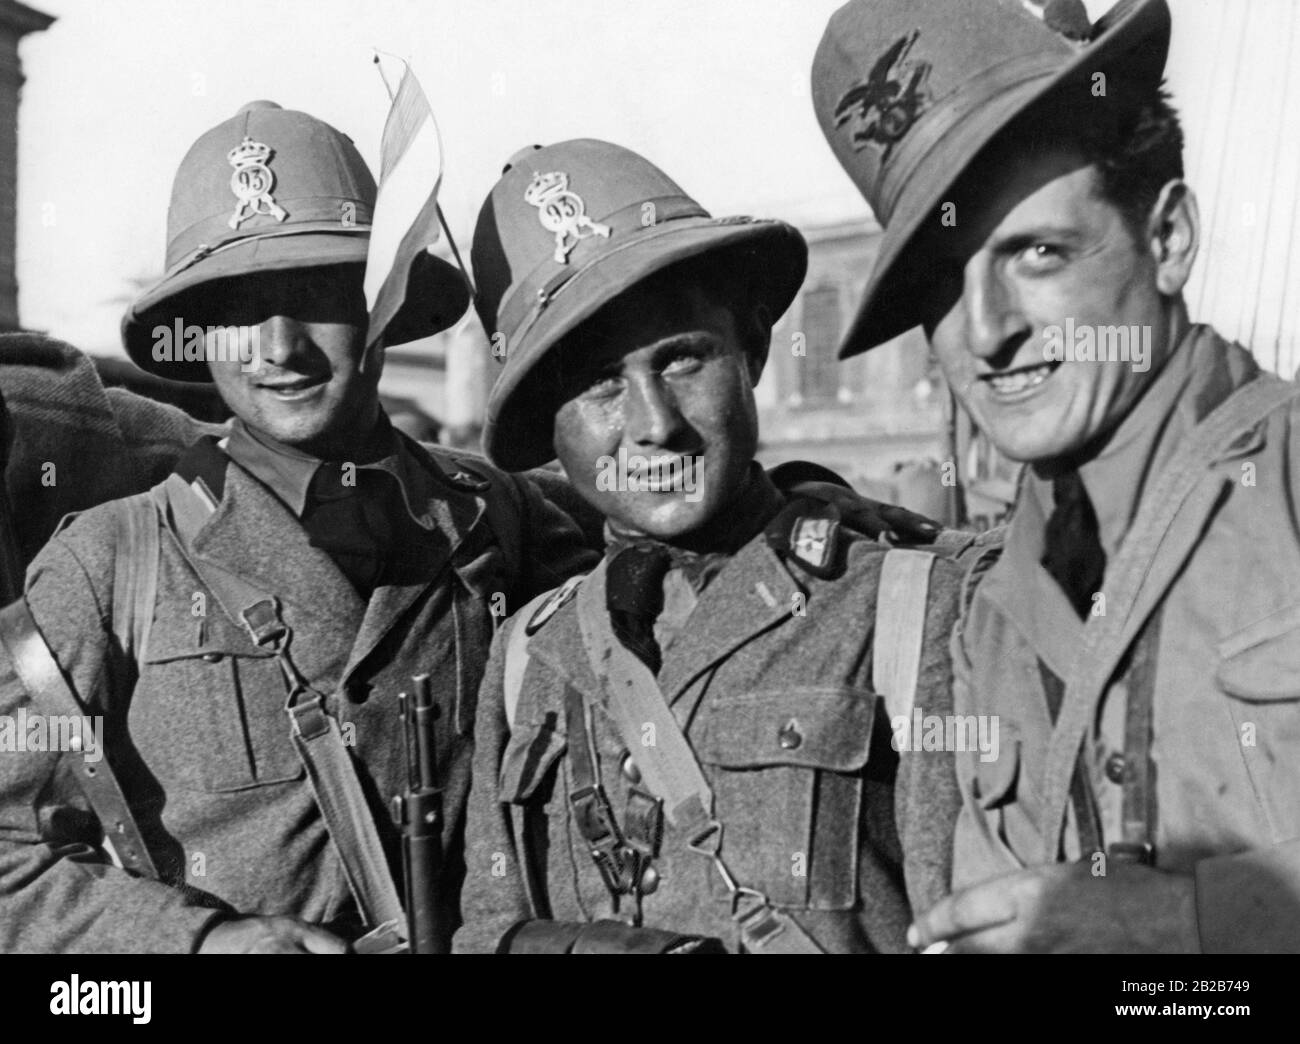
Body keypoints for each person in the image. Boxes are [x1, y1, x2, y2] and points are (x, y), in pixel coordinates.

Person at [0, 101, 597, 953]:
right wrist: (200, 946)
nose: (277, 348)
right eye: (238, 309)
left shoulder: (501, 517)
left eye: (320, 294)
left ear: (384, 303)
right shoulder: (107, 567)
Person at [814, 0, 1300, 951]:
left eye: (1037, 253)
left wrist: (1193, 927)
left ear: (1167, 239)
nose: (987, 331)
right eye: (944, 285)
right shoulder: (990, 611)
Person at [454, 139, 962, 954]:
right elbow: (488, 928)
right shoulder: (530, 656)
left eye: (683, 358)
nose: (655, 425)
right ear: (549, 424)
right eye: (600, 384)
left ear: (753, 350)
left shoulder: (904, 610)